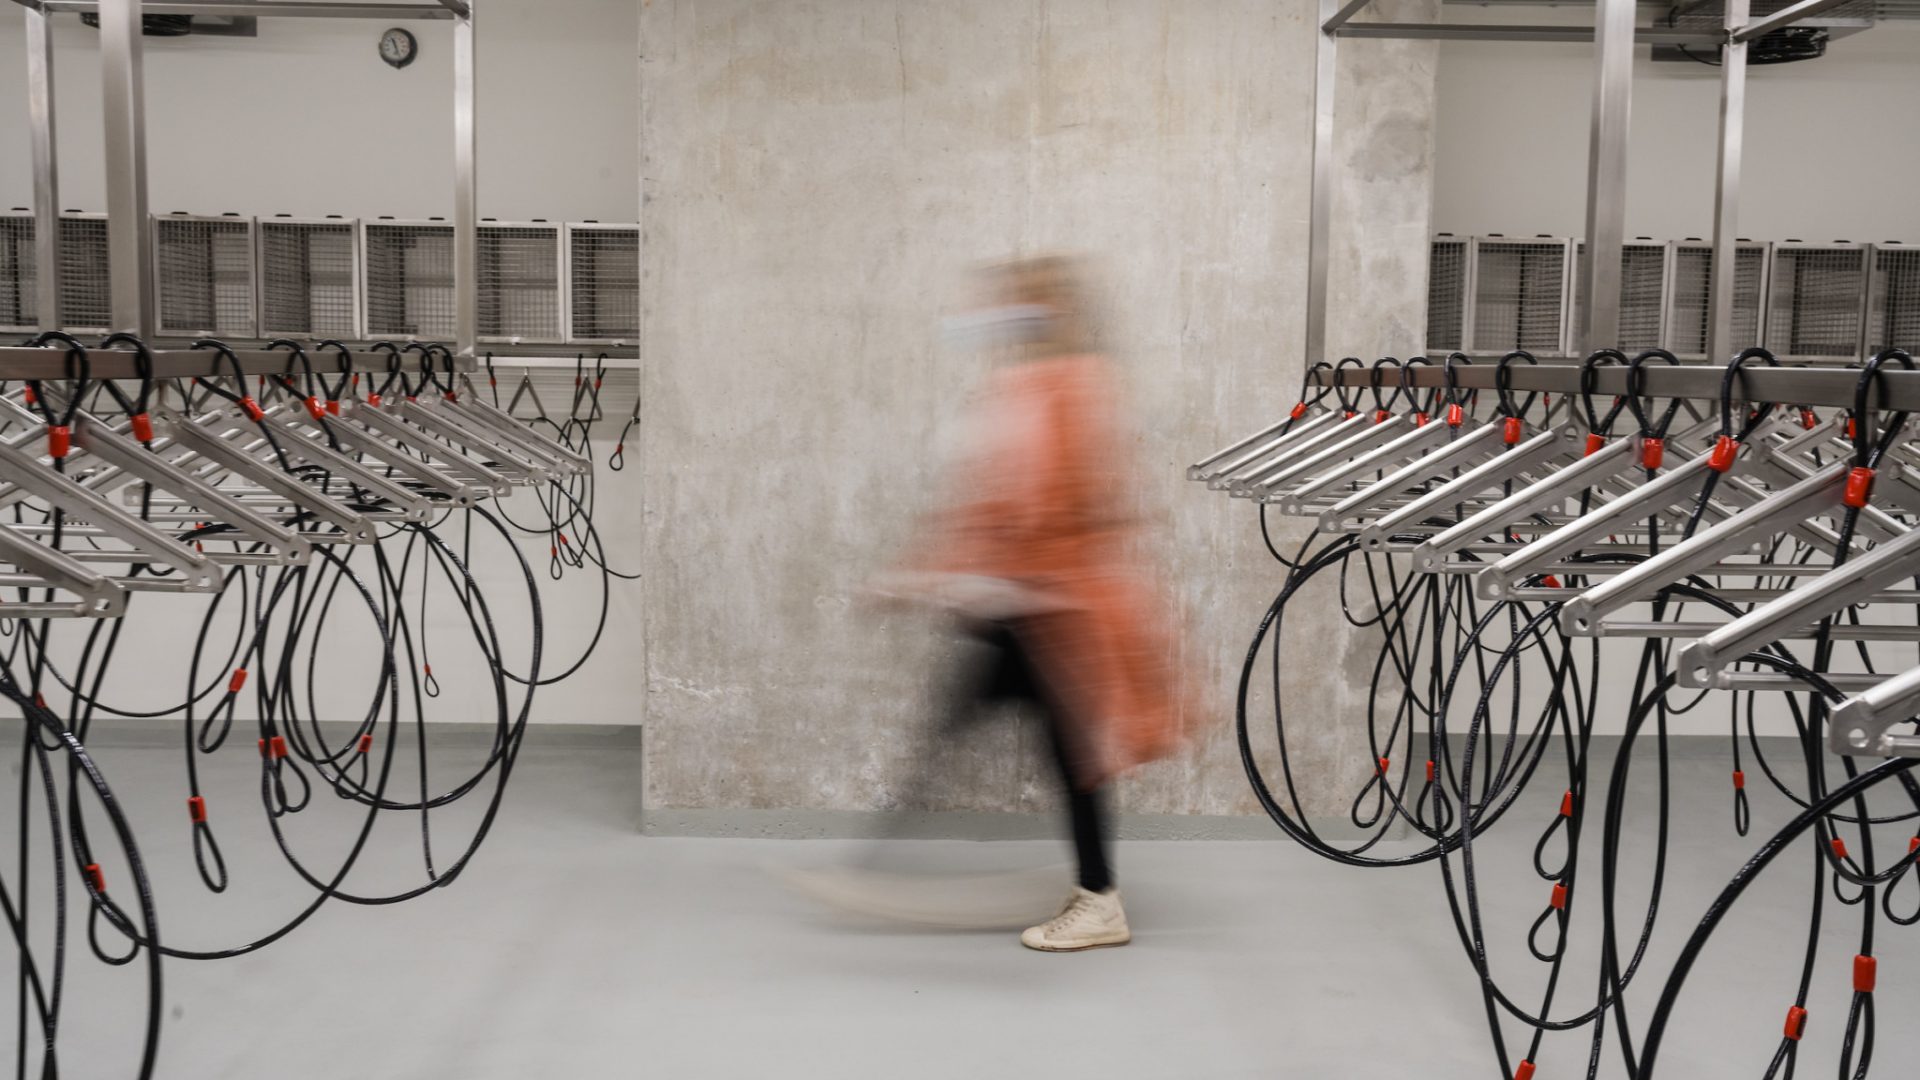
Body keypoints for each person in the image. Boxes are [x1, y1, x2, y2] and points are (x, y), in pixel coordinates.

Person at [876, 256, 1187, 952]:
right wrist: (926, 574)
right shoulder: (1027, 384)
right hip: (1024, 605)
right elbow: (986, 500)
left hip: (1051, 611)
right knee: (1028, 742)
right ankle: (1093, 890)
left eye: (1023, 302)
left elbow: (1061, 501)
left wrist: (959, 574)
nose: (1003, 314)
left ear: (1051, 311)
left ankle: (1098, 899)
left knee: (1047, 747)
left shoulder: (1072, 385)